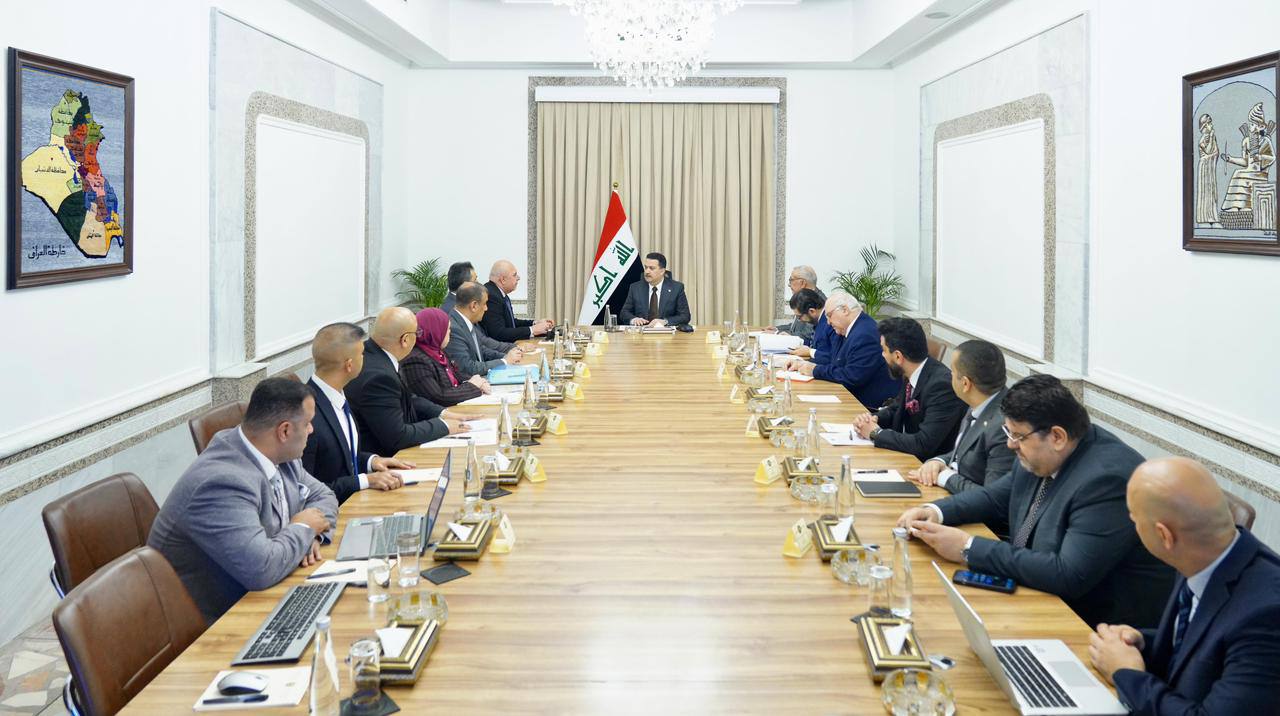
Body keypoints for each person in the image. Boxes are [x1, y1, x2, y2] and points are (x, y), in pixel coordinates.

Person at [896, 374, 1175, 628]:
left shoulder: (1105, 480)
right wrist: (935, 511)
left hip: (1094, 627)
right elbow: (995, 498)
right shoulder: (1043, 451)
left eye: (1017, 436)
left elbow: (1068, 574)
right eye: (1008, 433)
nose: (1010, 444)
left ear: (1057, 437)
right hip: (1038, 598)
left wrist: (968, 547)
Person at [1088, 457, 1280, 714]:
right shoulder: (1203, 555)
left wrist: (1126, 673)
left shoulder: (1267, 615)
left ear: (1164, 536)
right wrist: (1141, 644)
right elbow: (1202, 648)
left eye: (1135, 520)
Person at [147, 377, 338, 624]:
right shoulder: (222, 483)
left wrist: (310, 536)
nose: (312, 430)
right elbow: (262, 568)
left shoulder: (280, 455)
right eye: (308, 423)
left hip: (266, 597)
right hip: (218, 624)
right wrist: (304, 527)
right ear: (285, 431)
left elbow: (324, 496)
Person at [302, 322, 415, 504]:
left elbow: (342, 457)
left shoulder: (338, 395)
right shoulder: (307, 415)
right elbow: (305, 490)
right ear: (349, 365)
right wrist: (365, 480)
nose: (366, 358)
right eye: (362, 353)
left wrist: (371, 461)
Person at [345, 307, 473, 456]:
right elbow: (398, 436)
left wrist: (442, 413)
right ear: (405, 339)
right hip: (386, 458)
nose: (419, 338)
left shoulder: (376, 354)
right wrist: (444, 426)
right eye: (417, 333)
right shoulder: (379, 377)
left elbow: (408, 398)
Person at [908, 339, 1015, 496]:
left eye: (952, 371)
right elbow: (964, 452)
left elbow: (992, 497)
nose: (949, 375)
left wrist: (945, 476)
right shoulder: (980, 401)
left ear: (965, 384)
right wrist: (938, 462)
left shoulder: (1004, 427)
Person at [854, 317, 966, 461]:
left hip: (925, 466)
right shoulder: (913, 370)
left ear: (898, 356)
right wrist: (872, 419)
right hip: (904, 456)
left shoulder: (941, 386)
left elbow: (923, 444)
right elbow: (896, 408)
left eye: (884, 350)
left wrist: (875, 433)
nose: (882, 355)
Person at [785, 291, 898, 410]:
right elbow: (834, 362)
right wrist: (803, 365)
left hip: (865, 406)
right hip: (848, 396)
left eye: (829, 316)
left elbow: (852, 377)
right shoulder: (849, 329)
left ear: (845, 310)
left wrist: (814, 370)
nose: (828, 322)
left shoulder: (865, 334)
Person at [403, 307, 491, 407]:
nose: (450, 332)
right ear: (436, 331)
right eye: (447, 328)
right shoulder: (416, 360)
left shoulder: (438, 351)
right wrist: (473, 387)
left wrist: (479, 382)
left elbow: (458, 375)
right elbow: (438, 397)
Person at [446, 281, 524, 377]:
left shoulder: (465, 320)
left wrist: (506, 356)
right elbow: (468, 368)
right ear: (474, 306)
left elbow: (481, 350)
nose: (486, 308)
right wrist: (504, 361)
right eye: (485, 304)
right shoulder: (453, 328)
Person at [481, 260, 553, 342]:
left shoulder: (499, 293)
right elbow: (499, 333)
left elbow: (510, 322)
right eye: (514, 275)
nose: (518, 278)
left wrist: (535, 323)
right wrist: (532, 330)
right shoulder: (491, 296)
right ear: (503, 279)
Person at [619, 252, 691, 327]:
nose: (647, 271)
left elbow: (685, 316)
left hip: (665, 332)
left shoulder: (676, 288)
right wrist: (634, 319)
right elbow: (624, 312)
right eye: (646, 267)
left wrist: (665, 321)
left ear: (662, 271)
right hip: (642, 331)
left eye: (651, 268)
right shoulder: (635, 288)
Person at [764, 265, 821, 341]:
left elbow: (807, 336)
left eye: (791, 280)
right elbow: (795, 328)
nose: (789, 285)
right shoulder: (802, 298)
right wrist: (777, 329)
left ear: (802, 283)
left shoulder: (816, 301)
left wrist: (777, 333)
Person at [787, 288, 839, 358]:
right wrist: (793, 340)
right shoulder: (820, 319)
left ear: (812, 311)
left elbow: (834, 357)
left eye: (799, 317)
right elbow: (813, 343)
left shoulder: (830, 323)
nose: (799, 320)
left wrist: (810, 352)